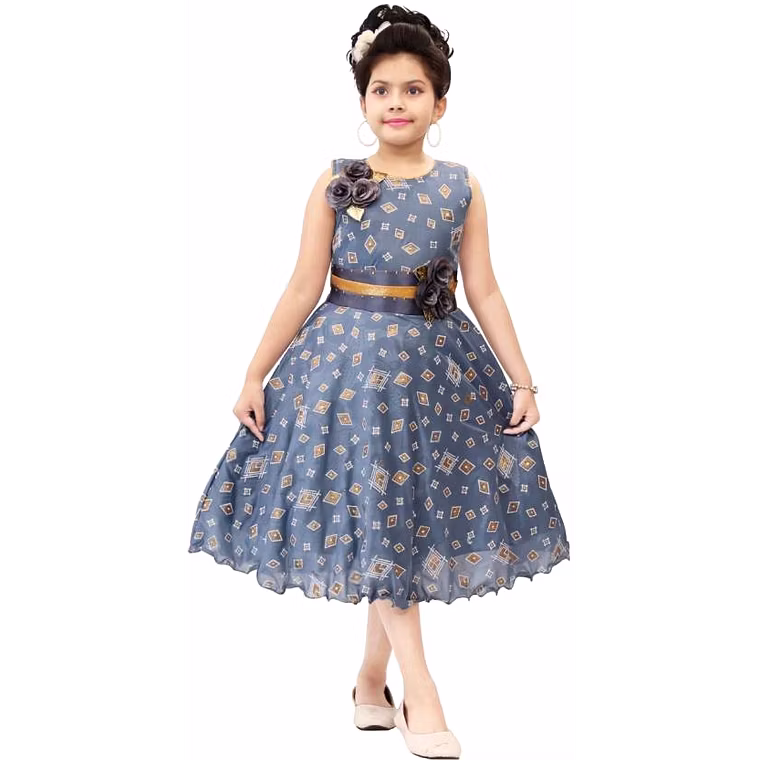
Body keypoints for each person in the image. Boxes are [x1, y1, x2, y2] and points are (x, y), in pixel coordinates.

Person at [188, 5, 570, 758]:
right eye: (382, 90)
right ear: (362, 102)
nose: (397, 102)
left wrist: (524, 381)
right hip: (348, 376)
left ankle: (370, 682)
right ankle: (420, 694)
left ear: (440, 104)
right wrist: (254, 372)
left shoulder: (462, 186)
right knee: (384, 516)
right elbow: (303, 285)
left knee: (396, 522)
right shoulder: (337, 181)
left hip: (433, 377)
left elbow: (484, 289)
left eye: (414, 90)